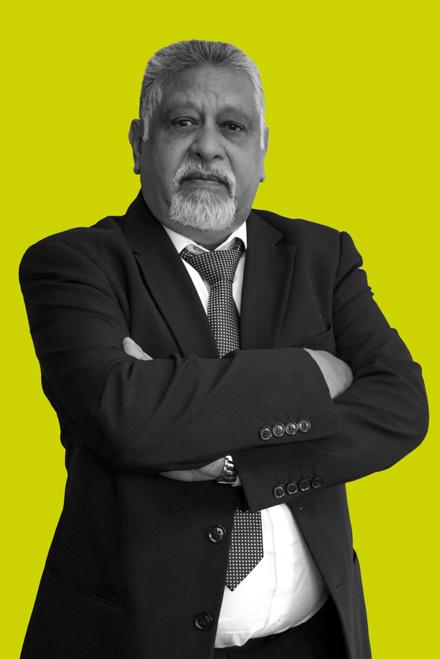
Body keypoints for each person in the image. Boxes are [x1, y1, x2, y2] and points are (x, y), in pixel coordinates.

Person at [18, 40, 428, 659]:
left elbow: (401, 407)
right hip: (134, 640)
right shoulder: (73, 264)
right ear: (138, 144)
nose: (208, 147)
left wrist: (235, 460)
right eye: (183, 122)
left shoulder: (324, 257)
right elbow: (126, 416)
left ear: (262, 151)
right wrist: (313, 373)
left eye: (232, 127)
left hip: (315, 638)